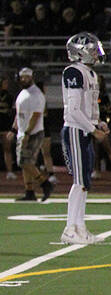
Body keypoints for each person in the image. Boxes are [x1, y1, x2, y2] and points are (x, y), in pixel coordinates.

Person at [59, 33, 109, 243]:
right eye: (92, 50)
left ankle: (79, 227)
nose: (96, 55)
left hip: (84, 130)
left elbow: (89, 106)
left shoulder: (89, 73)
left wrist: (98, 123)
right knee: (79, 182)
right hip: (75, 130)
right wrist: (92, 128)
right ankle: (70, 228)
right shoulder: (74, 72)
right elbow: (73, 110)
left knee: (84, 182)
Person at [13, 68, 54, 202]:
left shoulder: (36, 94)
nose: (24, 79)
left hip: (33, 132)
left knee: (24, 162)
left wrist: (27, 133)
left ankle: (45, 183)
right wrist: (14, 129)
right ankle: (29, 191)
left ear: (31, 77)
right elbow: (19, 114)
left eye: (26, 77)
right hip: (23, 132)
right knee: (26, 162)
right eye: (22, 77)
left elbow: (36, 116)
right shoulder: (23, 93)